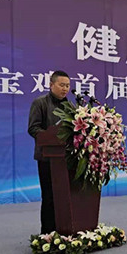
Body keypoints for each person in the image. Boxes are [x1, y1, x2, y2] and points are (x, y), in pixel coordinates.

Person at [27, 70, 71, 234]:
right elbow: (33, 128)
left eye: (67, 85)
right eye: (62, 85)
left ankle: (65, 229)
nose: (65, 89)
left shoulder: (70, 107)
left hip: (66, 158)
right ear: (51, 85)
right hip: (47, 158)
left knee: (65, 196)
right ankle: (47, 233)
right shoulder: (40, 103)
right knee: (49, 196)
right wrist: (50, 137)